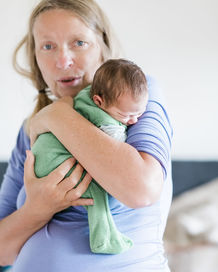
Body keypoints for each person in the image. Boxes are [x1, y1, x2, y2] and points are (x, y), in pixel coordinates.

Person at [0, 0, 173, 271]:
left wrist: (57, 115)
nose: (62, 61)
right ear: (36, 58)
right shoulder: (30, 130)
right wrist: (37, 209)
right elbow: (2, 253)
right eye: (48, 46)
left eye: (79, 42)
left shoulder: (137, 96)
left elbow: (141, 189)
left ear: (103, 48)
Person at [31, 58, 148, 254]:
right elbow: (116, 155)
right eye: (126, 115)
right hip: (52, 162)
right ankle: (103, 238)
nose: (134, 120)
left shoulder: (90, 94)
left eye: (140, 113)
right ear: (98, 101)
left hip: (45, 157)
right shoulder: (106, 122)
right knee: (96, 194)